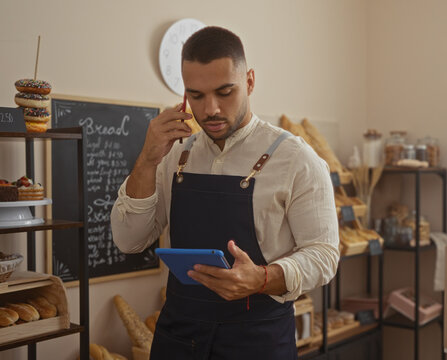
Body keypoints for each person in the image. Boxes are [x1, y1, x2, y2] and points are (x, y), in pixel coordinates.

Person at [110, 26, 339, 359]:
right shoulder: (174, 153)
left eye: (225, 91)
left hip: (257, 340)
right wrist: (146, 159)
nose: (211, 109)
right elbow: (129, 241)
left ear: (249, 81)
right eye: (197, 96)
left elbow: (324, 255)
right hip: (178, 336)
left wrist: (262, 278)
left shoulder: (296, 159)